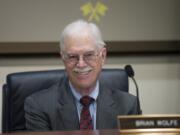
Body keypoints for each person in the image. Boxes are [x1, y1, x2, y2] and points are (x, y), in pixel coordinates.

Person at [24, 19, 138, 131]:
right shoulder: (39, 106)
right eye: (73, 57)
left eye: (89, 55)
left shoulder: (127, 106)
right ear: (63, 59)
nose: (81, 64)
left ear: (103, 56)